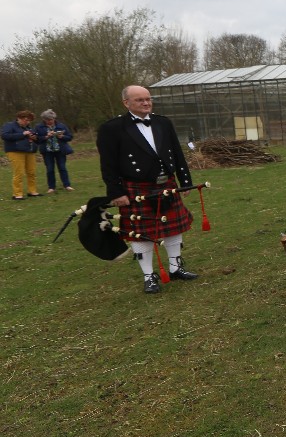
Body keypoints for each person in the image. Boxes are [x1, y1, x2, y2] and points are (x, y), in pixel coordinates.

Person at [96, 86, 199, 294]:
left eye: (148, 99)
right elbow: (108, 164)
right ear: (126, 103)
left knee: (173, 229)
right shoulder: (112, 128)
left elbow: (177, 153)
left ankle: (176, 268)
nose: (146, 103)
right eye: (140, 100)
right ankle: (149, 276)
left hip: (166, 183)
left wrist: (185, 180)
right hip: (136, 186)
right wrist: (116, 193)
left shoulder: (163, 122)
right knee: (141, 233)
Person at [35, 109, 75, 193]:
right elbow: (37, 140)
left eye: (51, 119)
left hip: (60, 150)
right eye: (47, 120)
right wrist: (46, 137)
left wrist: (62, 137)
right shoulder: (39, 127)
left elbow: (70, 137)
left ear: (54, 118)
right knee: (50, 169)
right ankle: (51, 187)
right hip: (47, 151)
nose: (49, 121)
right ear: (44, 119)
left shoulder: (61, 126)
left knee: (62, 168)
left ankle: (67, 185)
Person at [3, 110, 40, 199]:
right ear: (19, 118)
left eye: (29, 121)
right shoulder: (9, 125)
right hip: (15, 151)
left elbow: (36, 140)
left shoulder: (28, 128)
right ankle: (17, 194)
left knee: (31, 172)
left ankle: (32, 191)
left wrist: (34, 138)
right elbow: (5, 136)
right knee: (19, 173)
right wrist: (22, 134)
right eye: (26, 120)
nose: (27, 122)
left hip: (29, 151)